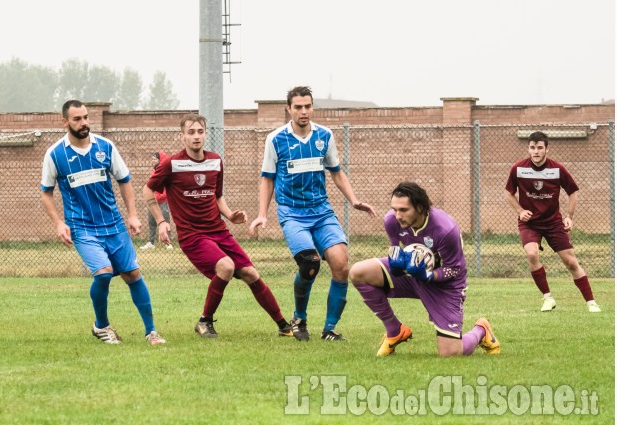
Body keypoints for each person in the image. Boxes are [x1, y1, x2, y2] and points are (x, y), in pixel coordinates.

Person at [143, 114, 293, 338]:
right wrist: (162, 221)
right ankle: (205, 322)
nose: (196, 137)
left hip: (218, 231)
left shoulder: (215, 161)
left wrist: (231, 216)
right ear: (182, 136)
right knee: (226, 266)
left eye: (200, 131)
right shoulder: (171, 164)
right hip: (192, 235)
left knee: (251, 273)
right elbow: (147, 191)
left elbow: (217, 196)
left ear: (205, 133)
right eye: (191, 132)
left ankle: (284, 326)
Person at [248, 86, 377, 342]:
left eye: (307, 106)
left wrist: (354, 200)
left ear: (312, 107)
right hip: (292, 213)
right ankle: (299, 318)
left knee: (341, 265)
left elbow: (336, 172)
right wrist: (262, 213)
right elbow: (267, 179)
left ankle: (329, 329)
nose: (303, 111)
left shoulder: (324, 136)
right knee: (310, 264)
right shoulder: (275, 139)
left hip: (322, 212)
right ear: (289, 109)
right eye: (298, 107)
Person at [40, 99, 166, 346]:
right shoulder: (55, 154)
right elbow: (46, 191)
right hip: (81, 227)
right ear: (65, 122)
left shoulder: (105, 147)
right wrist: (58, 223)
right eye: (77, 119)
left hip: (113, 224)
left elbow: (124, 180)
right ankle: (101, 325)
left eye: (86, 117)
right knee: (103, 273)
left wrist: (132, 215)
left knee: (132, 273)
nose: (84, 122)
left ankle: (152, 331)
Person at [349, 182, 500, 357]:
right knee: (358, 272)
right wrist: (397, 264)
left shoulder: (445, 229)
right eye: (394, 209)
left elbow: (454, 269)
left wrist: (428, 275)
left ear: (420, 207)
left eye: (404, 210)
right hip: (411, 275)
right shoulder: (392, 221)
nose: (397, 215)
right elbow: (396, 249)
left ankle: (481, 330)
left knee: (451, 353)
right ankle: (394, 330)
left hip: (445, 286)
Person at [505, 131, 601, 313]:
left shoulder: (557, 169)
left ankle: (591, 302)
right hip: (530, 223)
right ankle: (548, 298)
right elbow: (508, 192)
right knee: (532, 254)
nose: (536, 151)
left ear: (546, 149)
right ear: (528, 149)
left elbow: (572, 191)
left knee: (571, 262)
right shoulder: (518, 169)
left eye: (540, 148)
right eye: (532, 148)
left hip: (553, 223)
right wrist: (520, 211)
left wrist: (569, 217)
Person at [141, 151, 173, 250]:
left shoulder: (164, 170)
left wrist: (161, 196)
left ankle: (168, 243)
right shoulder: (154, 170)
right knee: (151, 222)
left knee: (165, 221)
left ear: (160, 160)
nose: (152, 160)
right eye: (152, 159)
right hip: (153, 201)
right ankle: (151, 242)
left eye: (155, 159)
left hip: (162, 201)